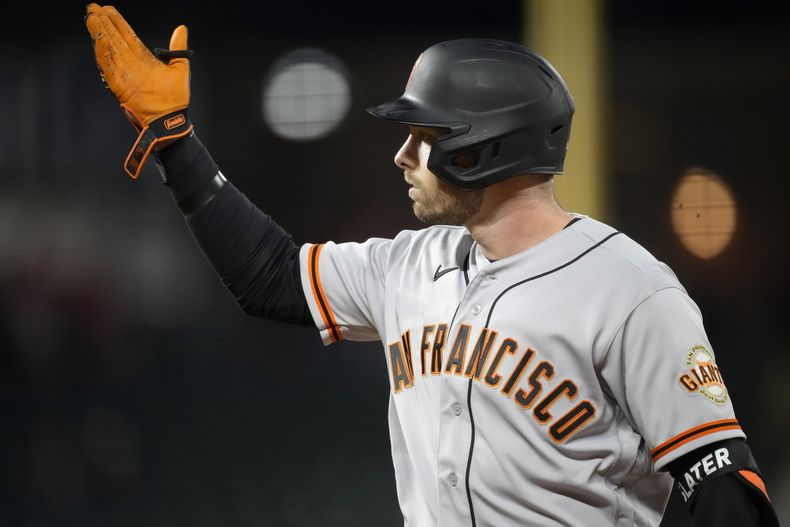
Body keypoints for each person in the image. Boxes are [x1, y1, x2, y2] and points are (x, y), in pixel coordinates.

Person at [84, 4, 781, 526]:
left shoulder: (630, 290)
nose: (403, 157)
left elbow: (724, 489)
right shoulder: (409, 265)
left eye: (424, 136)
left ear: (483, 148)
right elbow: (269, 274)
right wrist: (178, 146)